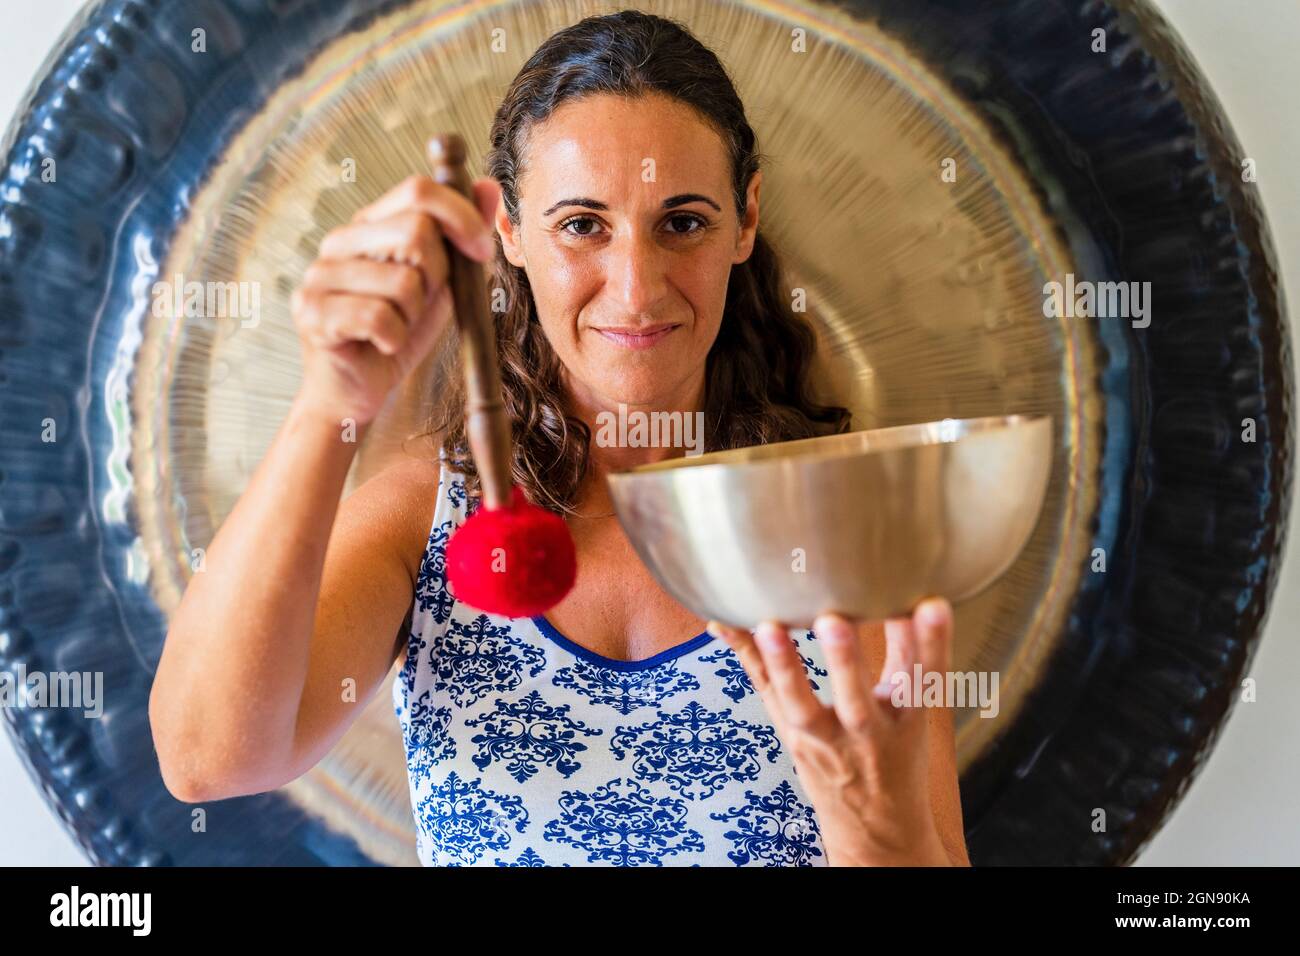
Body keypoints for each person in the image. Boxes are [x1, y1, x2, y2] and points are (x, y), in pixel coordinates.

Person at [149, 8, 970, 867]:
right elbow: (207, 760)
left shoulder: (851, 526)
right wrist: (330, 403)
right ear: (507, 229)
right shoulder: (424, 518)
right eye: (582, 224)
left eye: (682, 221)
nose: (636, 289)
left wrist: (869, 826)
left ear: (747, 217)